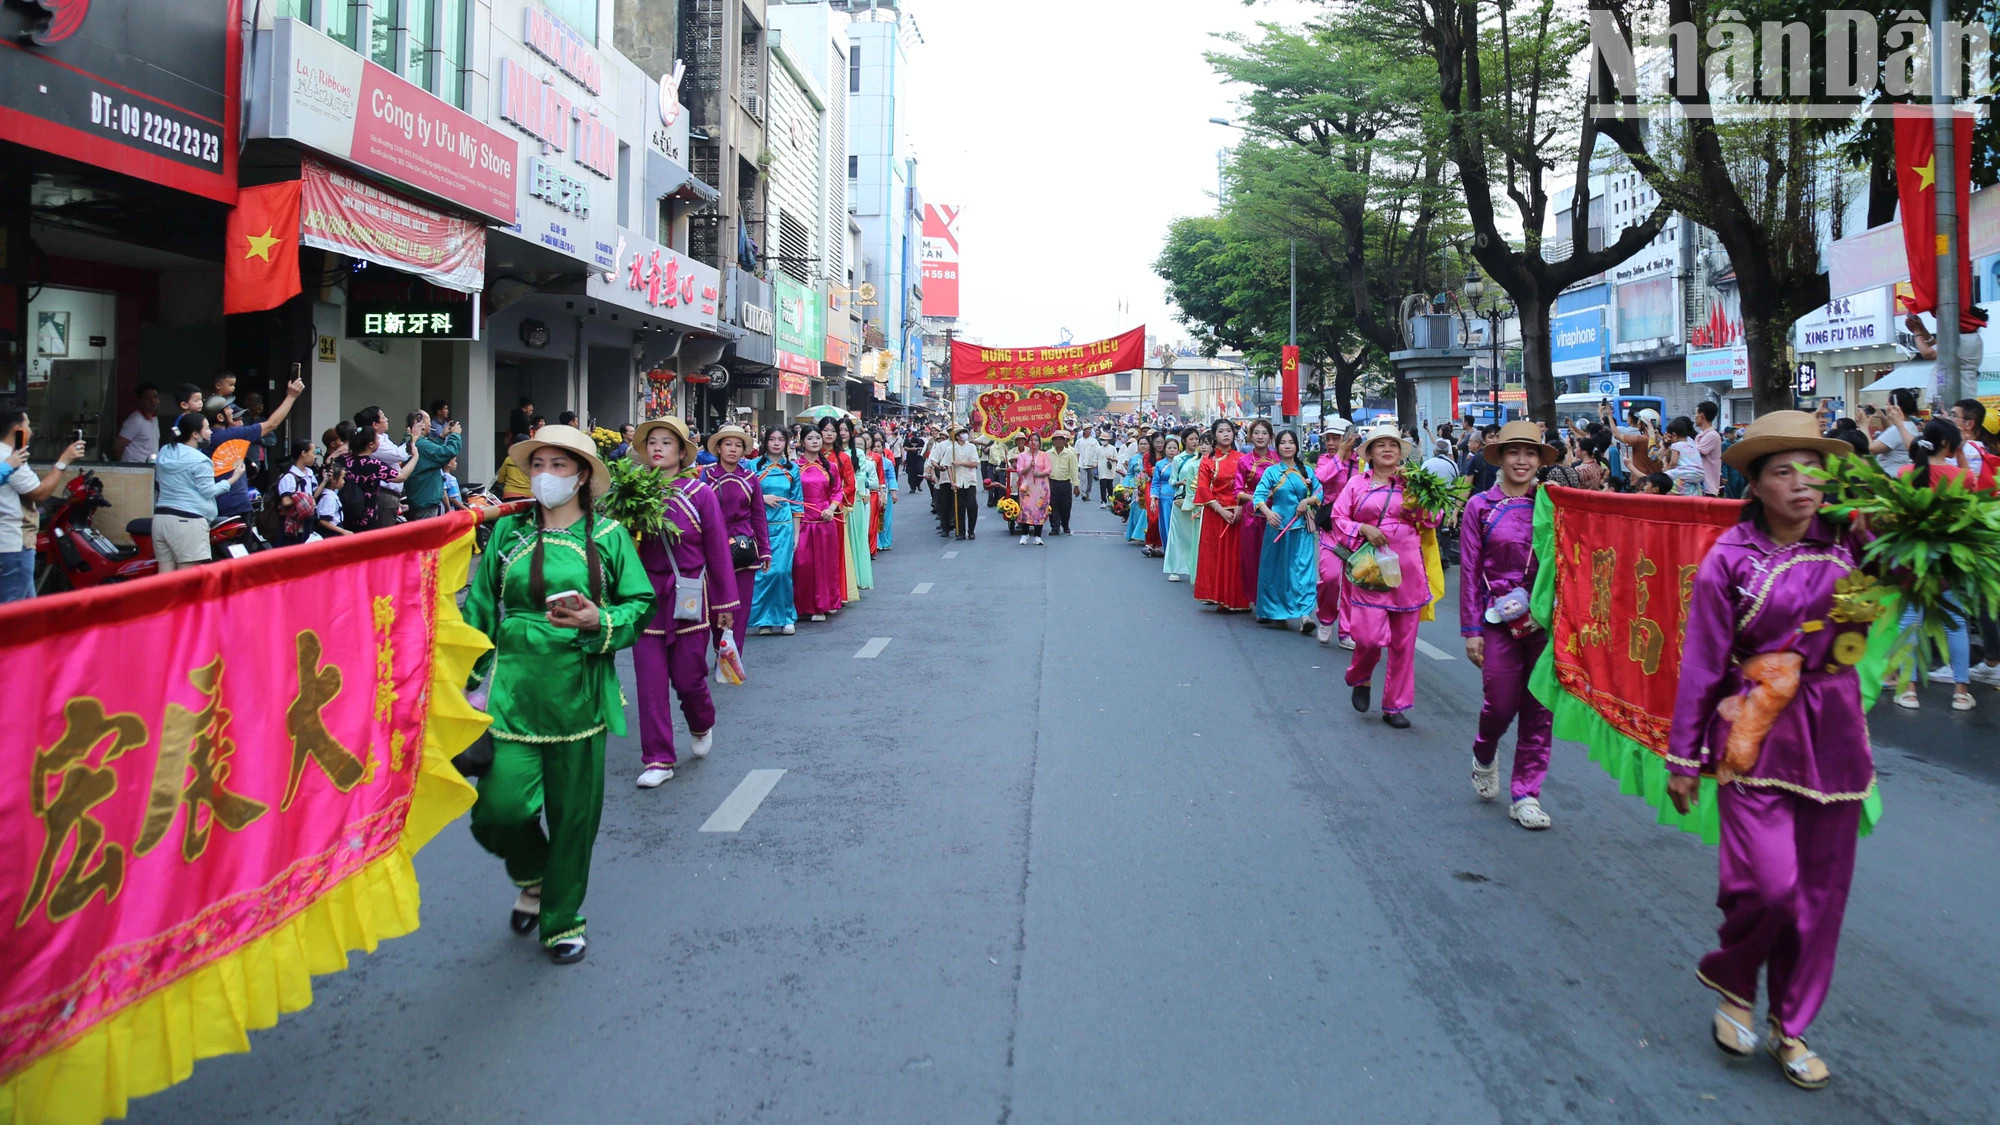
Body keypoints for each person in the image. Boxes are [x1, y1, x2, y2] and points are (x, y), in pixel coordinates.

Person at [1665, 410, 1876, 1091]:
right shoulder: (1728, 561)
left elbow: (1905, 584)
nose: (1801, 484)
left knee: (1821, 896)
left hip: (1835, 736)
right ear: (1754, 485)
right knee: (1770, 886)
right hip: (1753, 734)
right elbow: (1702, 664)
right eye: (1783, 471)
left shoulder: (1853, 541)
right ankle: (1734, 980)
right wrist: (1683, 755)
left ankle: (1793, 1023)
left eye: (1811, 469)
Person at [465, 424, 654, 965]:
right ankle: (533, 875)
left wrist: (602, 620)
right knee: (497, 811)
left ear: (583, 477)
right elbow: (479, 606)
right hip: (511, 691)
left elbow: (639, 604)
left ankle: (563, 917)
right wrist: (466, 678)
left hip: (580, 687)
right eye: (538, 464)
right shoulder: (508, 531)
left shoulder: (610, 536)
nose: (545, 476)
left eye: (558, 465)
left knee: (574, 818)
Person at [1460, 422, 1562, 829]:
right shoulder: (1479, 507)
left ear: (1540, 461)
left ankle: (1526, 795)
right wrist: (1471, 630)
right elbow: (1468, 570)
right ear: (1499, 458)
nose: (1522, 461)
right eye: (1514, 453)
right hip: (1496, 621)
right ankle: (1484, 752)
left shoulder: (1552, 504)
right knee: (1500, 704)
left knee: (1538, 710)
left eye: (1530, 454)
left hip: (1545, 623)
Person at [631, 416, 736, 788]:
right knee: (650, 682)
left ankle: (700, 720)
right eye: (652, 442)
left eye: (666, 442)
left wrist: (725, 603)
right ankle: (658, 758)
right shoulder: (632, 493)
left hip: (689, 596)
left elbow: (718, 551)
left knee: (689, 679)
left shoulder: (699, 495)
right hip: (644, 600)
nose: (658, 448)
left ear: (680, 452)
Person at [1334, 425, 1431, 729]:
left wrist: (1420, 506)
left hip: (1408, 571)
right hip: (1370, 570)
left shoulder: (1413, 483)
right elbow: (1338, 517)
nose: (1387, 449)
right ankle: (1360, 677)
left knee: (1403, 644)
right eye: (1380, 445)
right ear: (1371, 453)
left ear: (1400, 452)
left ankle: (1395, 705)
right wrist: (1362, 529)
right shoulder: (1356, 485)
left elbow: (1434, 519)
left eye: (1393, 445)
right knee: (1370, 637)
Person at [1891, 419, 1977, 711]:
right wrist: (1962, 454)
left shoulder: (1906, 472)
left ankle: (1909, 691)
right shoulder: (1959, 477)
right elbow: (1973, 485)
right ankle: (1961, 692)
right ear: (1946, 444)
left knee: (1908, 623)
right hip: (1949, 560)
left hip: (1913, 558)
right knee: (1955, 625)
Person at [0, 406, 87, 599]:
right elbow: (40, 493)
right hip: (14, 544)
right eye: (28, 425)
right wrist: (63, 461)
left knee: (29, 608)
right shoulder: (10, 458)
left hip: (10, 544)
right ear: (18, 430)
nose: (32, 431)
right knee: (12, 611)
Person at [701, 424, 770, 658]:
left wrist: (765, 551)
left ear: (743, 451)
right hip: (712, 546)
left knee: (740, 608)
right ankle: (719, 647)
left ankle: (733, 656)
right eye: (728, 444)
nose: (732, 449)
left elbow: (759, 515)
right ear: (718, 448)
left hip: (744, 546)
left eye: (738, 445)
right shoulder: (706, 475)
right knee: (714, 606)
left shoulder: (750, 478)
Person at [152, 411, 243, 574]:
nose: (210, 432)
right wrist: (233, 478)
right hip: (188, 521)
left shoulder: (165, 451)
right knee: (187, 578)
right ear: (195, 434)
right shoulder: (201, 460)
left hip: (161, 519)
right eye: (207, 428)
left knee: (164, 579)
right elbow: (208, 492)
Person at [204, 372, 304, 520]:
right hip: (236, 506)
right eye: (228, 409)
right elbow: (272, 424)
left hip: (213, 506)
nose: (232, 410)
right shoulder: (231, 434)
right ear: (220, 417)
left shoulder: (205, 437)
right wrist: (291, 396)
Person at [1251, 429, 1322, 628]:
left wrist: (1307, 500)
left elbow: (1320, 492)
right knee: (1278, 573)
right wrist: (1268, 512)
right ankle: (1277, 611)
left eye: (1291, 442)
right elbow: (1258, 497)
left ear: (1297, 446)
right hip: (1278, 528)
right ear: (1278, 447)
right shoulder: (1271, 472)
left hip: (1302, 530)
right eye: (1283, 443)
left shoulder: (1306, 471)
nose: (1288, 446)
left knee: (1304, 572)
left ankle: (1306, 615)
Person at [748, 428, 801, 637]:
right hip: (759, 528)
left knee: (782, 573)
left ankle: (787, 617)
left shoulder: (792, 469)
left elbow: (797, 504)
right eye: (772, 439)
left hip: (785, 527)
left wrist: (796, 534)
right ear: (765, 442)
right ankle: (764, 620)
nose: (776, 443)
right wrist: (763, 498)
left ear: (787, 443)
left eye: (781, 440)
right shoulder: (753, 467)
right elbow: (745, 496)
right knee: (762, 573)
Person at [1194, 420, 1251, 611]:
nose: (1226, 434)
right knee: (1215, 554)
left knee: (1237, 556)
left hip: (1238, 512)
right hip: (1215, 513)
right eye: (1221, 431)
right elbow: (1203, 488)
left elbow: (1248, 487)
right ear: (1214, 435)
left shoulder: (1243, 459)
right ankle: (1216, 595)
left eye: (1229, 431)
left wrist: (1240, 508)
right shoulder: (1207, 461)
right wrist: (1220, 510)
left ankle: (1237, 598)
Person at [793, 427, 847, 622]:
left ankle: (824, 604)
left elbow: (837, 491)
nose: (815, 441)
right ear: (802, 441)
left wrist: (831, 509)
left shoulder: (830, 466)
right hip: (803, 522)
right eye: (810, 438)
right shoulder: (794, 466)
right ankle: (802, 605)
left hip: (824, 521)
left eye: (818, 437)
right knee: (802, 564)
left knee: (825, 565)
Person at [1315, 424, 1360, 646]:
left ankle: (1346, 631)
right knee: (1330, 577)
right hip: (1331, 527)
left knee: (1351, 582)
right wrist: (1340, 456)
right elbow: (1320, 479)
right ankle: (1325, 618)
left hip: (1355, 529)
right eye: (1328, 439)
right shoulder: (1326, 460)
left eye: (1336, 439)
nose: (1331, 443)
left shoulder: (1362, 462)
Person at [327, 419, 415, 530]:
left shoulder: (343, 459)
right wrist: (415, 457)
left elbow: (327, 463)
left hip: (344, 514)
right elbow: (401, 476)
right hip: (366, 517)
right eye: (377, 439)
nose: (379, 441)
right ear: (371, 444)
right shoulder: (373, 464)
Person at [1235, 419, 1280, 617]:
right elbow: (1237, 491)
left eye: (1264, 433)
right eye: (1257, 433)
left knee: (1276, 560)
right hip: (1252, 516)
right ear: (1250, 436)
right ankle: (1259, 601)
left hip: (1277, 514)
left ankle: (1275, 601)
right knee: (1253, 559)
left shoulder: (1280, 459)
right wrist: (1258, 497)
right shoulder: (1243, 461)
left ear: (1270, 437)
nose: (1260, 436)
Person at [403, 410, 463, 519]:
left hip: (420, 500)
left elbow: (431, 452)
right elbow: (447, 453)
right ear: (419, 423)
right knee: (428, 535)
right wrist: (455, 435)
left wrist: (442, 436)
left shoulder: (412, 442)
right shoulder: (421, 444)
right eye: (428, 421)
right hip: (426, 502)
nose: (430, 424)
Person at [1164, 430, 1204, 583]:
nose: (1195, 442)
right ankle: (1175, 568)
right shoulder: (1178, 459)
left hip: (1198, 502)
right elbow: (1172, 480)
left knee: (1196, 536)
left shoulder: (1203, 458)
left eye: (1197, 439)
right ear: (1184, 441)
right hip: (1181, 500)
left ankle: (1195, 567)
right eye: (1191, 439)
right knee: (1178, 536)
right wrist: (1180, 483)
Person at [845, 425, 877, 591]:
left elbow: (865, 480)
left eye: (845, 430)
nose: (841, 433)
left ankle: (857, 576)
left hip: (855, 501)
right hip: (835, 503)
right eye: (839, 429)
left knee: (857, 538)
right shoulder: (828, 455)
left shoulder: (861, 457)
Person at [273, 439, 323, 546]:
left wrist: (326, 480)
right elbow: (286, 501)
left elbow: (313, 495)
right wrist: (304, 498)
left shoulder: (309, 474)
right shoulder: (289, 477)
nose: (315, 456)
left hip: (308, 520)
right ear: (303, 453)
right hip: (294, 523)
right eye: (313, 453)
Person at [1013, 431, 1053, 545]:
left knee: (1040, 510)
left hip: (1041, 486)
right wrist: (1029, 467)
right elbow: (1020, 471)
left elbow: (1048, 469)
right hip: (1027, 487)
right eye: (1031, 440)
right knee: (1026, 509)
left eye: (1036, 440)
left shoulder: (1044, 455)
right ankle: (1024, 534)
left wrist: (1039, 474)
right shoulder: (1023, 456)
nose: (1033, 442)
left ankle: (1037, 536)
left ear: (1040, 443)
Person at [943, 425, 981, 539]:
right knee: (959, 508)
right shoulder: (951, 449)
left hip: (970, 480)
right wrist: (952, 482)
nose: (964, 435)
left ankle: (971, 531)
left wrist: (960, 463)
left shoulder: (971, 447)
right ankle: (960, 532)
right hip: (958, 482)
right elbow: (948, 466)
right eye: (962, 433)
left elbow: (975, 463)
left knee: (972, 506)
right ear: (957, 436)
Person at [1867, 390, 1917, 472]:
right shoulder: (1909, 425)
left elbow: (1872, 450)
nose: (1886, 408)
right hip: (1900, 472)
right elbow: (1892, 437)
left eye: (1887, 404)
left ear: (1895, 407)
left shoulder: (1897, 429)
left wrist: (1864, 426)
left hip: (1890, 474)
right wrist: (1883, 417)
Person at [1149, 435, 1181, 560]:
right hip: (1164, 498)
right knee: (1166, 524)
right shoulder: (1159, 464)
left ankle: (1180, 551)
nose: (1172, 450)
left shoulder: (1182, 463)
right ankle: (1169, 551)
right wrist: (1153, 498)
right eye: (1169, 448)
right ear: (1165, 449)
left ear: (1178, 450)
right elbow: (1155, 483)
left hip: (1179, 496)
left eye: (1174, 448)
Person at [116, 383, 161, 463]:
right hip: (134, 470)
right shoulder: (135, 420)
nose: (153, 401)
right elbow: (118, 447)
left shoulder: (154, 419)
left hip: (149, 469)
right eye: (148, 398)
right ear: (140, 400)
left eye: (155, 397)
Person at [1047, 430, 1079, 535]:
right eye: (1056, 439)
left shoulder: (1070, 454)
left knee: (1066, 506)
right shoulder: (1048, 453)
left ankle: (1065, 525)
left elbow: (1074, 470)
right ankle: (1054, 527)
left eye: (1061, 439)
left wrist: (1076, 485)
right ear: (1053, 441)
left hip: (1065, 483)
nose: (1058, 441)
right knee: (1053, 505)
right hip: (1052, 482)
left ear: (1065, 441)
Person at [1664, 416, 1706, 496]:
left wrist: (1669, 471)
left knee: (1665, 475)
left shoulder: (1676, 445)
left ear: (1674, 435)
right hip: (1700, 473)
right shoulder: (1691, 442)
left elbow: (1673, 462)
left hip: (1687, 472)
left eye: (1670, 436)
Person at [313, 463, 353, 537]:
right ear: (333, 480)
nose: (344, 481)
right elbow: (323, 521)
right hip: (330, 535)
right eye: (342, 478)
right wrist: (343, 531)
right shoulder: (328, 498)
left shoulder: (331, 495)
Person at [1694, 401, 1724, 495]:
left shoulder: (1712, 435)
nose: (1695, 416)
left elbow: (1694, 455)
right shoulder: (1701, 435)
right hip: (1701, 486)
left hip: (1708, 488)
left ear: (1702, 416)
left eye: (1696, 413)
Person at [1074, 428, 1102, 507]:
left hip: (1091, 463)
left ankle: (1087, 493)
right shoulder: (1079, 441)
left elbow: (1098, 451)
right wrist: (1077, 462)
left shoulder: (1094, 441)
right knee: (1083, 479)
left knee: (1090, 479)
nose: (1089, 432)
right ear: (1084, 431)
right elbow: (1077, 452)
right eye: (1087, 430)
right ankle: (1083, 494)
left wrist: (1096, 462)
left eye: (1090, 430)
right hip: (1082, 463)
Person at [902, 426, 929, 495]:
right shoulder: (908, 440)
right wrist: (911, 449)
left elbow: (925, 449)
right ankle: (912, 488)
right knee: (910, 475)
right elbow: (904, 447)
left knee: (920, 473)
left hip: (919, 459)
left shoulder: (922, 441)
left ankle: (918, 484)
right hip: (910, 460)